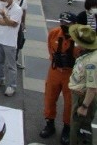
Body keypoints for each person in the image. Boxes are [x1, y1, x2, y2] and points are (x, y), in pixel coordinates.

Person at [39, 12, 80, 145]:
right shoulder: (54, 33)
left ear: (75, 24)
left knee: (69, 103)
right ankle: (49, 123)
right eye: (62, 22)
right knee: (50, 97)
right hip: (55, 70)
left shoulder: (80, 38)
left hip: (72, 74)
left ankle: (67, 128)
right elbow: (50, 49)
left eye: (67, 23)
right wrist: (56, 60)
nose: (64, 25)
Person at [68, 24, 97, 145]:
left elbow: (92, 88)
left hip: (83, 98)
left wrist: (84, 106)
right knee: (78, 126)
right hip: (80, 95)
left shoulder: (92, 62)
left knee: (79, 130)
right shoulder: (87, 54)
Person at [13, 0, 28, 69]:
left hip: (19, 25)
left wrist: (23, 23)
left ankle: (15, 60)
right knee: (9, 43)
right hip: (11, 25)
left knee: (19, 42)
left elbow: (24, 11)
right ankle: (2, 56)